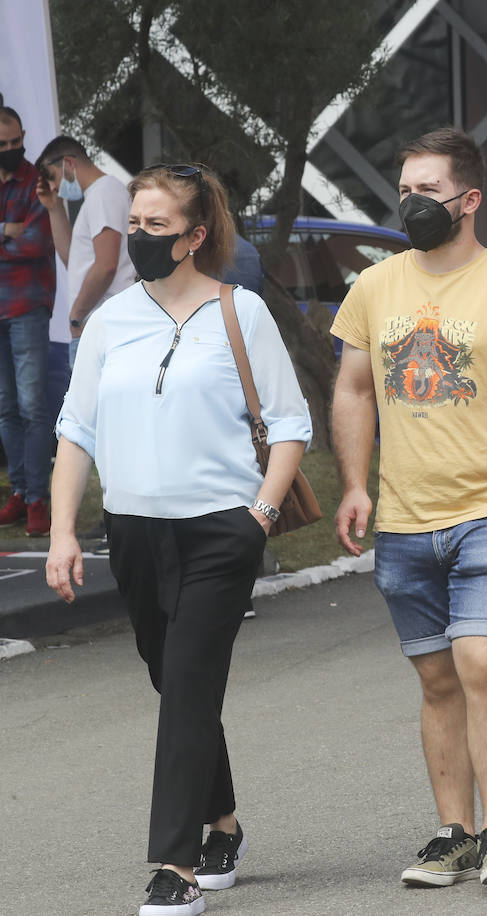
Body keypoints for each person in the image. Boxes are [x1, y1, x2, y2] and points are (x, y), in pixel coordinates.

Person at [44, 162, 310, 916]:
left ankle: (176, 866)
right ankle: (222, 823)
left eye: (156, 226)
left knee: (187, 685)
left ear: (195, 236)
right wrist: (65, 531)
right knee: (176, 683)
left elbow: (290, 425)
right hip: (132, 531)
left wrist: (259, 515)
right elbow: (75, 430)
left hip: (221, 531)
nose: (139, 238)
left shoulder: (240, 313)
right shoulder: (110, 321)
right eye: (134, 224)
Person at [331, 127, 487, 890]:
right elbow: (354, 390)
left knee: (481, 664)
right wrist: (355, 484)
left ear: (468, 199)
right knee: (437, 679)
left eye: (428, 190)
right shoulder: (375, 287)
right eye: (406, 189)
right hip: (404, 517)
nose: (413, 203)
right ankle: (454, 834)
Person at [34, 136, 137, 370]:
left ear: (69, 162)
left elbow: (106, 265)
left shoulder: (104, 192)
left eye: (51, 176)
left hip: (102, 327)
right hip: (97, 326)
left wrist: (76, 316)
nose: (51, 186)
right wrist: (54, 207)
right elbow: (76, 262)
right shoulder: (98, 195)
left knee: (91, 406)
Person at [0, 105, 56, 537]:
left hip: (28, 307)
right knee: (6, 409)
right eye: (3, 146)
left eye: (16, 143)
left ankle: (37, 497)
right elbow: (17, 238)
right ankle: (19, 491)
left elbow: (36, 242)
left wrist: (16, 235)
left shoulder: (38, 181)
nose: (12, 150)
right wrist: (7, 231)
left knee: (34, 408)